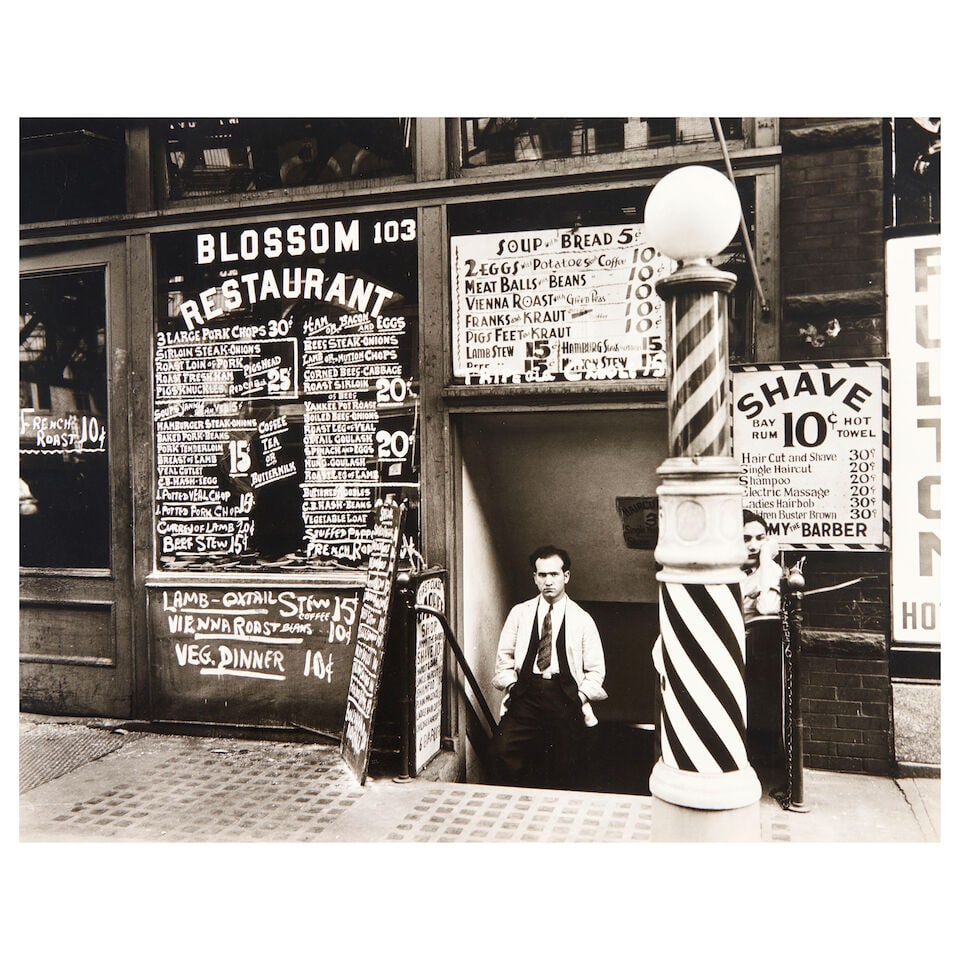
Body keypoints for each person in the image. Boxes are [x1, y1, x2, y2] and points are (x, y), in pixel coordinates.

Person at [490, 545, 606, 788]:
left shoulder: (582, 619)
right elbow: (504, 659)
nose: (548, 581)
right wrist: (514, 686)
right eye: (542, 575)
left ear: (566, 576)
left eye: (554, 574)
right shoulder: (520, 614)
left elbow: (596, 671)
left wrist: (580, 696)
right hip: (526, 693)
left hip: (564, 696)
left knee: (566, 763)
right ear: (535, 578)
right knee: (502, 751)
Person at [741, 510, 785, 769]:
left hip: (755, 654)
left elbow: (768, 606)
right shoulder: (726, 572)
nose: (754, 545)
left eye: (761, 538)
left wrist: (767, 561)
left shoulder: (770, 570)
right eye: (746, 538)